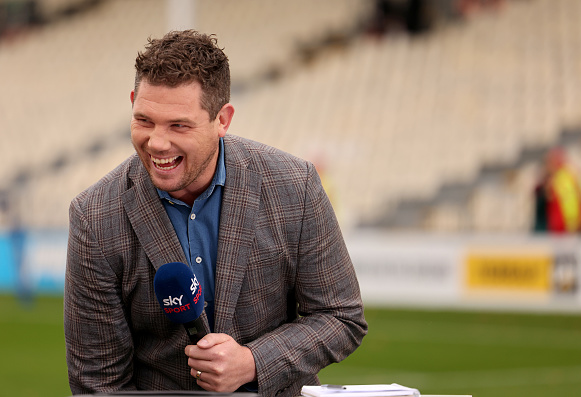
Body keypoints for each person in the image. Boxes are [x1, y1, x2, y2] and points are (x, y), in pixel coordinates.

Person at [64, 30, 367, 397]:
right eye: (144, 120)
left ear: (222, 119)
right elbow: (98, 385)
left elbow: (341, 317)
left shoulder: (294, 185)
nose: (157, 142)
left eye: (179, 125)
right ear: (132, 102)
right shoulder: (94, 216)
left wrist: (254, 361)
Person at [533, 147, 581, 234]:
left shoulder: (560, 179)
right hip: (565, 227)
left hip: (562, 229)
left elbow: (570, 204)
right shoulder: (567, 176)